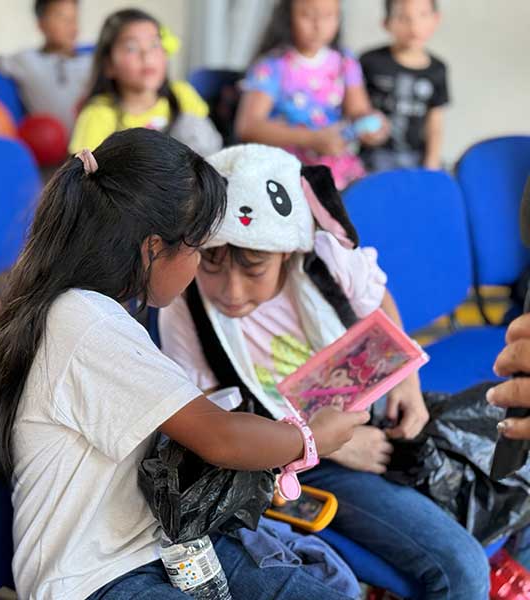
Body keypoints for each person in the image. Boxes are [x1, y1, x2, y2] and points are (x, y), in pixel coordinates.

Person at [0, 127, 367, 600]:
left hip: (158, 545)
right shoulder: (85, 322)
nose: (201, 266)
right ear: (154, 248)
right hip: (97, 579)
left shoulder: (91, 312)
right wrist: (313, 438)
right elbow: (222, 438)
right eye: (200, 249)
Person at [158, 144, 491, 599]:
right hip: (284, 465)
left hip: (366, 424)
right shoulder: (187, 307)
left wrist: (406, 382)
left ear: (287, 251)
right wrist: (328, 448)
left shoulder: (325, 259)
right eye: (212, 265)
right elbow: (213, 430)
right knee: (463, 569)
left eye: (254, 268)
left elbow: (378, 306)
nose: (231, 292)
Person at [234, 0, 389, 190]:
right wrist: (311, 138)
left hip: (337, 169)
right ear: (288, 16)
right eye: (308, 15)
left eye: (328, 16)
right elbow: (248, 126)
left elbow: (358, 111)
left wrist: (372, 125)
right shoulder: (272, 66)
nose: (318, 26)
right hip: (286, 170)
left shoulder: (344, 61)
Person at [68, 9, 220, 157]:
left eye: (154, 45)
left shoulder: (181, 93)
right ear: (109, 65)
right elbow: (83, 173)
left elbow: (208, 149)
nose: (146, 55)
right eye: (131, 48)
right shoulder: (98, 113)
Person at [0, 0, 89, 133]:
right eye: (62, 18)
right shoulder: (26, 60)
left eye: (74, 18)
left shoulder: (92, 61)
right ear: (41, 25)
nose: (71, 25)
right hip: (49, 142)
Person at [360, 0, 449, 171]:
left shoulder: (438, 69)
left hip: (416, 157)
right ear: (386, 23)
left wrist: (432, 162)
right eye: (402, 17)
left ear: (436, 19)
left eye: (422, 15)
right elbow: (354, 107)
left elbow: (435, 122)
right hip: (374, 156)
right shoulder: (369, 61)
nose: (413, 25)